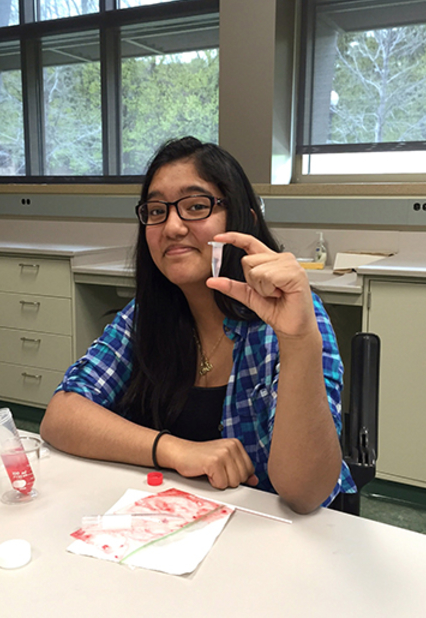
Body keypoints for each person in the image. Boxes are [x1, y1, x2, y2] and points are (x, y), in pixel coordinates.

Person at [40, 136, 356, 514]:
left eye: (196, 206)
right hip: (172, 524)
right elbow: (61, 416)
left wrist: (300, 341)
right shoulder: (146, 315)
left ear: (244, 220)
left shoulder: (289, 317)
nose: (172, 226)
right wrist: (176, 450)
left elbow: (306, 494)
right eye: (156, 211)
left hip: (270, 535)